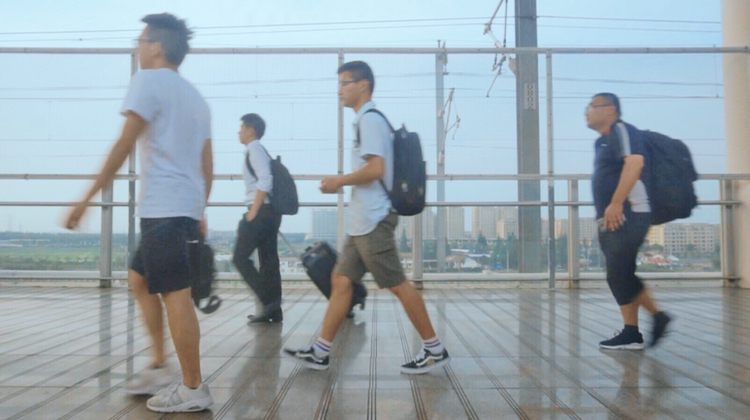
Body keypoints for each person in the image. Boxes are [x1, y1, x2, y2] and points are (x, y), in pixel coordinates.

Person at [64, 13, 213, 412]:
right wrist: (198, 208)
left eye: (140, 40)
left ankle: (193, 387)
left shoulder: (148, 80)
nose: (136, 47)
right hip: (180, 207)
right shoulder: (196, 98)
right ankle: (160, 366)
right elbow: (207, 164)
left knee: (175, 293)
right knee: (139, 279)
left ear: (157, 47)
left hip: (164, 208)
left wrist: (86, 198)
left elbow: (124, 143)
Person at [282, 61, 450, 374]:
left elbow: (375, 169)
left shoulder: (370, 121)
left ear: (364, 85)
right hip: (362, 223)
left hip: (373, 221)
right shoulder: (366, 120)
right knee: (341, 281)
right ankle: (320, 351)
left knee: (398, 285)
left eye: (345, 83)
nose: (339, 90)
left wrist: (339, 180)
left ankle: (434, 348)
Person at [586, 92, 672, 350]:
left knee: (618, 273)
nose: (586, 111)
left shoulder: (622, 130)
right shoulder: (601, 141)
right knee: (621, 273)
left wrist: (615, 203)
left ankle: (656, 317)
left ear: (610, 109)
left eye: (592, 106)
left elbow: (634, 163)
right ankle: (632, 331)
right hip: (614, 215)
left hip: (629, 212)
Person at [233, 113, 283, 323]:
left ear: (251, 130)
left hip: (261, 211)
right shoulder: (258, 150)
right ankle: (273, 310)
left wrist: (253, 210)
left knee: (239, 258)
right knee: (268, 261)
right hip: (269, 211)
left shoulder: (254, 149)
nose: (239, 132)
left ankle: (269, 300)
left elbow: (265, 179)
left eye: (242, 127)